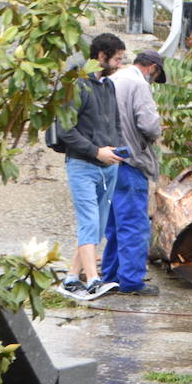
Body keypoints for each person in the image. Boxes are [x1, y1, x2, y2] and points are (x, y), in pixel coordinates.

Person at [52, 32, 125, 300]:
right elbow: (65, 130)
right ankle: (93, 279)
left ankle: (72, 278)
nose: (119, 64)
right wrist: (96, 151)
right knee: (89, 221)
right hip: (83, 164)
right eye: (116, 59)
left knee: (98, 224)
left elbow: (115, 122)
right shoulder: (78, 85)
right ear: (101, 57)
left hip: (109, 164)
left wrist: (114, 148)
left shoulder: (108, 86)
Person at [101, 49, 165, 295]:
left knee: (114, 225)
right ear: (152, 68)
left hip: (108, 160)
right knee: (134, 225)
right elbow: (149, 125)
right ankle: (131, 281)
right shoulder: (139, 83)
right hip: (130, 161)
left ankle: (111, 277)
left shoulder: (113, 79)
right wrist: (156, 132)